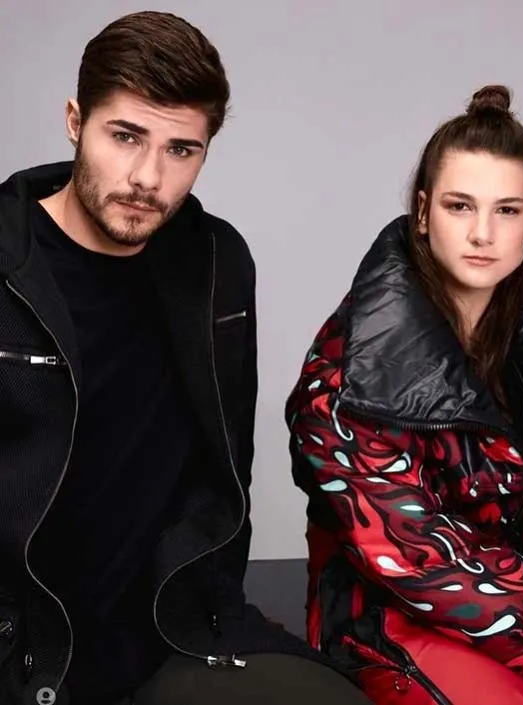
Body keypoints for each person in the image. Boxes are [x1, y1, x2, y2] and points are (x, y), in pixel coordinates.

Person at [0, 11, 373, 705]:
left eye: (181, 149)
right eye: (125, 136)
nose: (148, 177)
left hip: (170, 631)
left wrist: (213, 596)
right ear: (75, 121)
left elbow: (224, 464)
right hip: (22, 648)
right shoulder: (9, 260)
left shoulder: (216, 263)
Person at [286, 84, 523, 705]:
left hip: (514, 565)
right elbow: (414, 557)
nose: (483, 233)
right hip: (395, 611)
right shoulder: (355, 367)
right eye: (461, 207)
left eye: (506, 210)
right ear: (425, 212)